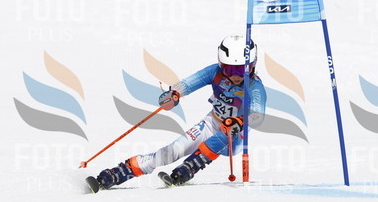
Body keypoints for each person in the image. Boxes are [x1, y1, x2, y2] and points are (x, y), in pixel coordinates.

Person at [86, 34, 267, 192]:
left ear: (252, 65)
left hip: (235, 136)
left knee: (225, 131)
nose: (236, 75)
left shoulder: (255, 87)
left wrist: (239, 122)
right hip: (212, 122)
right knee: (173, 150)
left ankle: (188, 169)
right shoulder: (215, 72)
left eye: (242, 69)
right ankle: (115, 175)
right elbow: (190, 83)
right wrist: (175, 93)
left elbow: (257, 116)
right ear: (221, 65)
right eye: (229, 69)